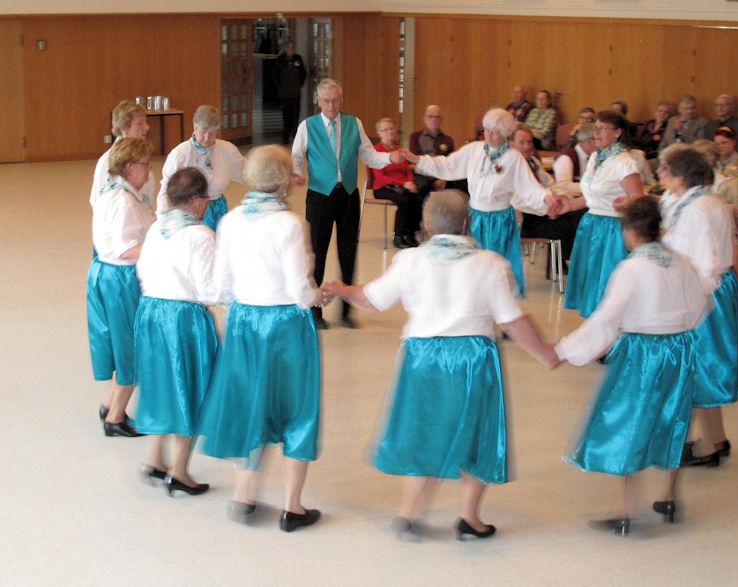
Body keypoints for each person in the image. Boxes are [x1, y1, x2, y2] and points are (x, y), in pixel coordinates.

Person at [326, 190, 560, 541]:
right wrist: (544, 353)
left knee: (423, 429)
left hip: (421, 357)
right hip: (473, 357)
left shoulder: (410, 260)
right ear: (467, 223)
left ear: (427, 224)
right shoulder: (491, 263)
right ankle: (469, 517)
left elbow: (371, 299)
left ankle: (410, 513)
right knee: (477, 432)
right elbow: (512, 320)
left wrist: (340, 288)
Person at [555, 197, 707, 536]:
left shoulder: (631, 268)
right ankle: (669, 497)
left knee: (626, 420)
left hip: (642, 352)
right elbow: (699, 306)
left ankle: (627, 511)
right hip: (679, 350)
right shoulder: (681, 262)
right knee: (673, 418)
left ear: (632, 231)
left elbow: (607, 319)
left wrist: (566, 350)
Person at [198, 145, 329, 530]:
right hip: (285, 325)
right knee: (297, 409)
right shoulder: (290, 224)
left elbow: (219, 287)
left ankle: (244, 494)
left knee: (250, 402)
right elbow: (300, 292)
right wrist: (321, 295)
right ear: (284, 181)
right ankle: (292, 506)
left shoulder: (230, 221)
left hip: (244, 323)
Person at [404, 108, 565, 298]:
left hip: (499, 221)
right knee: (471, 266)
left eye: (494, 132)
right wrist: (418, 160)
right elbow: (448, 166)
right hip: (474, 218)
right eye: (487, 130)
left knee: (496, 267)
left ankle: (499, 304)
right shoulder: (474, 150)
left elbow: (529, 187)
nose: (488, 135)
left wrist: (547, 198)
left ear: (505, 134)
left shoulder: (514, 158)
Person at [659, 147, 738, 468]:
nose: (660, 174)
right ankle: (717, 437)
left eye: (665, 170)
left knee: (698, 368)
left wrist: (691, 305)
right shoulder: (704, 202)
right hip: (715, 289)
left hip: (705, 293)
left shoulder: (697, 209)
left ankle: (708, 446)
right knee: (703, 368)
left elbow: (705, 264)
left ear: (681, 176)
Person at [291, 78, 401, 330]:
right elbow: (296, 156)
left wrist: (389, 158)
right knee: (316, 253)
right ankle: (314, 311)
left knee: (348, 252)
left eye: (336, 100)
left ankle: (347, 311)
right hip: (319, 195)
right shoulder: (308, 126)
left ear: (341, 100)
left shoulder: (354, 123)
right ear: (318, 101)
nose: (331, 105)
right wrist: (296, 174)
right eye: (327, 101)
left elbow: (369, 155)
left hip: (348, 195)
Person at [134, 168, 217, 495]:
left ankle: (154, 458)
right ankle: (180, 471)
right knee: (190, 388)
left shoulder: (157, 228)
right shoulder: (201, 235)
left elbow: (142, 270)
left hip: (150, 312)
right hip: (183, 318)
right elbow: (208, 290)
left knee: (162, 385)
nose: (207, 204)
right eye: (206, 198)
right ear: (196, 200)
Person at [87, 137, 155, 437]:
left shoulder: (114, 191)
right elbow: (127, 249)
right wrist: (163, 249)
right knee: (130, 345)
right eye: (145, 164)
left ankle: (112, 404)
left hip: (107, 274)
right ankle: (115, 418)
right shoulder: (124, 202)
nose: (149, 170)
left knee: (121, 344)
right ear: (129, 167)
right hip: (121, 279)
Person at [564, 110, 645, 318]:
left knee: (607, 283)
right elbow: (592, 197)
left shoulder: (625, 161)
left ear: (617, 133)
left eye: (602, 128)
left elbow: (638, 197)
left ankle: (610, 327)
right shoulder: (595, 157)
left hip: (612, 227)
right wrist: (569, 206)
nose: (597, 133)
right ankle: (595, 327)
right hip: (591, 223)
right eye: (596, 128)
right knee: (591, 279)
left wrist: (624, 203)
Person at [158, 105, 245, 231]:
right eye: (203, 132)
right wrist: (162, 218)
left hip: (217, 208)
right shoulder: (180, 154)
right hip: (190, 210)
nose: (207, 138)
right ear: (195, 126)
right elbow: (167, 188)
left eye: (212, 133)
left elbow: (247, 173)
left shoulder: (227, 150)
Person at [514, 125, 587, 266]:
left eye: (529, 142)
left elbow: (551, 184)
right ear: (511, 144)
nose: (527, 146)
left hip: (546, 208)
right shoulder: (510, 168)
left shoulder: (533, 162)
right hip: (527, 215)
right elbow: (518, 200)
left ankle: (577, 261)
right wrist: (546, 209)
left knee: (580, 214)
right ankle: (563, 264)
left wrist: (562, 198)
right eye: (522, 142)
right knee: (562, 227)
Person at [90, 100, 155, 209]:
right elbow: (97, 200)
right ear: (123, 128)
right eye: (140, 123)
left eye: (146, 122)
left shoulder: (142, 156)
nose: (147, 127)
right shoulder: (107, 160)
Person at [371, 118, 423, 249]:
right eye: (385, 130)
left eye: (391, 129)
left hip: (401, 186)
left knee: (417, 198)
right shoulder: (376, 151)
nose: (389, 132)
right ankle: (399, 236)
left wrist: (410, 182)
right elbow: (380, 178)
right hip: (383, 187)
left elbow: (407, 170)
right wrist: (403, 183)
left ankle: (410, 234)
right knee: (405, 201)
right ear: (379, 133)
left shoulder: (400, 150)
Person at [408, 104, 461, 197]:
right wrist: (432, 179)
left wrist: (443, 179)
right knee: (420, 186)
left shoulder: (448, 140)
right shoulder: (415, 137)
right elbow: (413, 162)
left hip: (440, 175)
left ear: (441, 120)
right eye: (430, 116)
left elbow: (451, 164)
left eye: (437, 117)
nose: (434, 119)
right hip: (421, 174)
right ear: (424, 119)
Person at [276, 41, 307, 145]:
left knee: (295, 115)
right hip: (284, 93)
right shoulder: (280, 59)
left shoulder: (298, 58)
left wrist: (299, 84)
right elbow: (274, 75)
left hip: (295, 93)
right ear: (285, 49)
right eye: (289, 47)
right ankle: (285, 137)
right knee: (286, 115)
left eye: (292, 47)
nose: (291, 49)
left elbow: (303, 73)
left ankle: (295, 136)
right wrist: (280, 86)